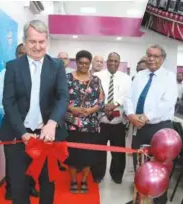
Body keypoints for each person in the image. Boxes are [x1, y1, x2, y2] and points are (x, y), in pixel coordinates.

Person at [0, 20, 69, 204]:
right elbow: (9, 101)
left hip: (47, 137)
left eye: (41, 42)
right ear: (24, 41)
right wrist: (22, 132)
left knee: (47, 185)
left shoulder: (57, 66)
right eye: (32, 42)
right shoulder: (13, 67)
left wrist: (52, 123)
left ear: (47, 41)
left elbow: (63, 97)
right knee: (19, 188)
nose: (37, 47)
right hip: (18, 136)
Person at [124, 44, 177, 204]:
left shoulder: (169, 77)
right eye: (149, 55)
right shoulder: (139, 76)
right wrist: (131, 115)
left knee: (159, 170)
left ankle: (159, 201)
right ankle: (139, 200)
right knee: (140, 166)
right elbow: (128, 98)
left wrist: (145, 117)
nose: (151, 59)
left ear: (163, 59)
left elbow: (167, 103)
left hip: (160, 129)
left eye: (155, 56)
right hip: (139, 127)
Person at [0, 43, 39, 200]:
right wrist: (20, 125)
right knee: (14, 164)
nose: (23, 56)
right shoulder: (5, 74)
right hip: (13, 129)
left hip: (32, 129)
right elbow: (4, 104)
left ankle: (30, 186)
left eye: (25, 53)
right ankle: (11, 189)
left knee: (32, 160)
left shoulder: (34, 74)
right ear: (16, 54)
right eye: (20, 53)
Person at [64, 50, 105, 193]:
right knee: (72, 155)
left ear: (90, 64)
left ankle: (84, 180)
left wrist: (90, 111)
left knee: (89, 155)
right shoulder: (67, 78)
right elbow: (60, 99)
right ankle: (74, 180)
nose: (83, 65)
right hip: (72, 124)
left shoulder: (95, 80)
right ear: (76, 62)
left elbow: (101, 102)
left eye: (86, 63)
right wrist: (72, 108)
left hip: (91, 125)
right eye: (80, 63)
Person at [92, 52, 131, 184]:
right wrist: (104, 105)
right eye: (111, 60)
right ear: (106, 62)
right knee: (99, 150)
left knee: (118, 151)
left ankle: (117, 175)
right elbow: (93, 95)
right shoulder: (96, 76)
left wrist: (114, 103)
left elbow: (127, 96)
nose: (113, 63)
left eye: (116, 61)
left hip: (118, 122)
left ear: (119, 63)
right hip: (101, 121)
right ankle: (98, 174)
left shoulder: (126, 78)